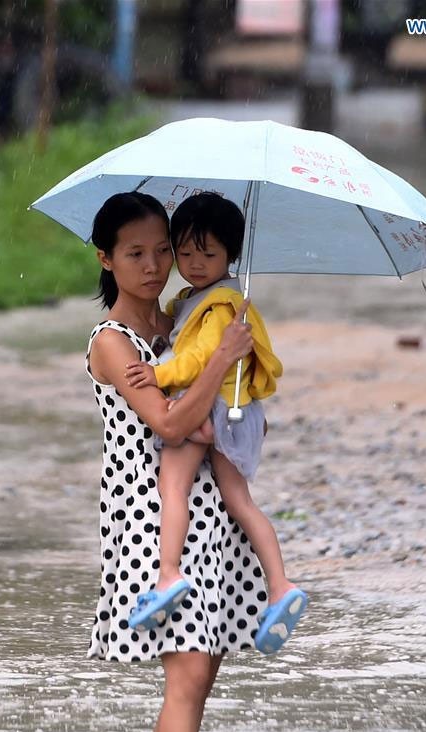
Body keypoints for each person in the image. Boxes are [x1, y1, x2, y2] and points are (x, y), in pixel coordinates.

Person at [85, 191, 259, 732]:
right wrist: (220, 361)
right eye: (135, 253)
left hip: (211, 509)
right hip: (152, 512)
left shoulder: (187, 319)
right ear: (105, 259)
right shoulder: (113, 344)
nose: (155, 266)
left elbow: (224, 407)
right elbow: (172, 420)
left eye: (164, 250)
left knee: (201, 678)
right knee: (185, 678)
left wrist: (236, 366)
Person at [125, 192, 308, 655]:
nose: (194, 263)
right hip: (231, 410)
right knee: (239, 501)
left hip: (209, 408)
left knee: (173, 487)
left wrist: (157, 374)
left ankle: (168, 575)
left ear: (231, 254)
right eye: (184, 253)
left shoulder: (222, 306)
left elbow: (199, 356)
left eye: (208, 254)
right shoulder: (194, 299)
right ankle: (280, 586)